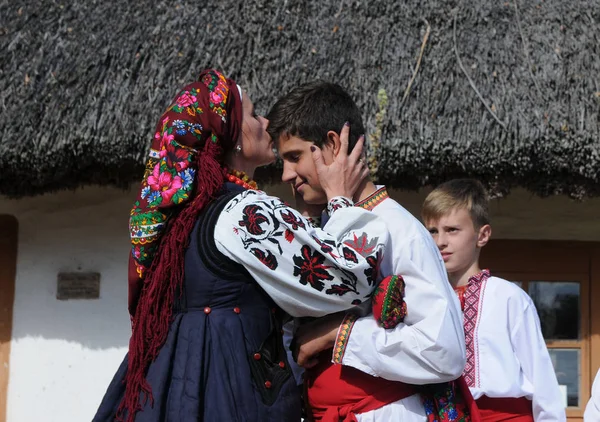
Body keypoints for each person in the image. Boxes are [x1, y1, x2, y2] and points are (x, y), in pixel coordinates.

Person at [93, 69, 392, 422]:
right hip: (227, 391)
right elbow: (348, 281)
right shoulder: (245, 211)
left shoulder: (189, 214)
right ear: (230, 135)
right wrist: (340, 199)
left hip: (175, 386)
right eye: (252, 115)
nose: (265, 122)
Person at [267, 81, 468, 421]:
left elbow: (444, 350)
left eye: (295, 157)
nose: (287, 174)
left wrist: (337, 334)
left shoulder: (397, 228)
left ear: (333, 145)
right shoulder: (321, 228)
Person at [422, 179, 566, 421]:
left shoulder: (508, 297)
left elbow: (542, 380)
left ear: (483, 235)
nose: (440, 242)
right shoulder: (425, 299)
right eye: (433, 231)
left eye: (452, 230)